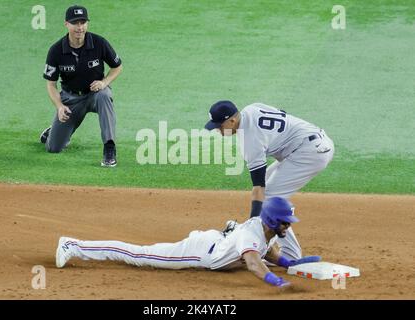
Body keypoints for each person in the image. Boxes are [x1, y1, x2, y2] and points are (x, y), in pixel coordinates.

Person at [55, 197, 320, 288]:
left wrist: (288, 263)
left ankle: (77, 246)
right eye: (286, 222)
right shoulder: (253, 234)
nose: (289, 225)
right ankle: (74, 245)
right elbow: (253, 262)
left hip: (217, 240)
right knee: (140, 255)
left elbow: (266, 253)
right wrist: (277, 281)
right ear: (273, 221)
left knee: (246, 255)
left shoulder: (265, 230)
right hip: (198, 253)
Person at [205, 100, 334, 260]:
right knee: (267, 184)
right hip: (314, 140)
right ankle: (264, 237)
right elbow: (282, 112)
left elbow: (258, 189)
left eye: (219, 125)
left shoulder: (250, 142)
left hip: (309, 153)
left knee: (270, 198)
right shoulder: (252, 108)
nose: (217, 130)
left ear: (232, 121)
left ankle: (289, 254)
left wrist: (252, 226)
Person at [41, 5, 123, 167]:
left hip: (95, 95)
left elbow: (117, 67)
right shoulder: (56, 50)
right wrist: (59, 106)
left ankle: (109, 146)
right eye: (75, 23)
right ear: (67, 24)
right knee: (53, 148)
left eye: (83, 22)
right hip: (71, 99)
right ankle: (53, 133)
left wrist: (104, 82)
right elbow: (51, 84)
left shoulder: (99, 43)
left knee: (105, 95)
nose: (80, 27)